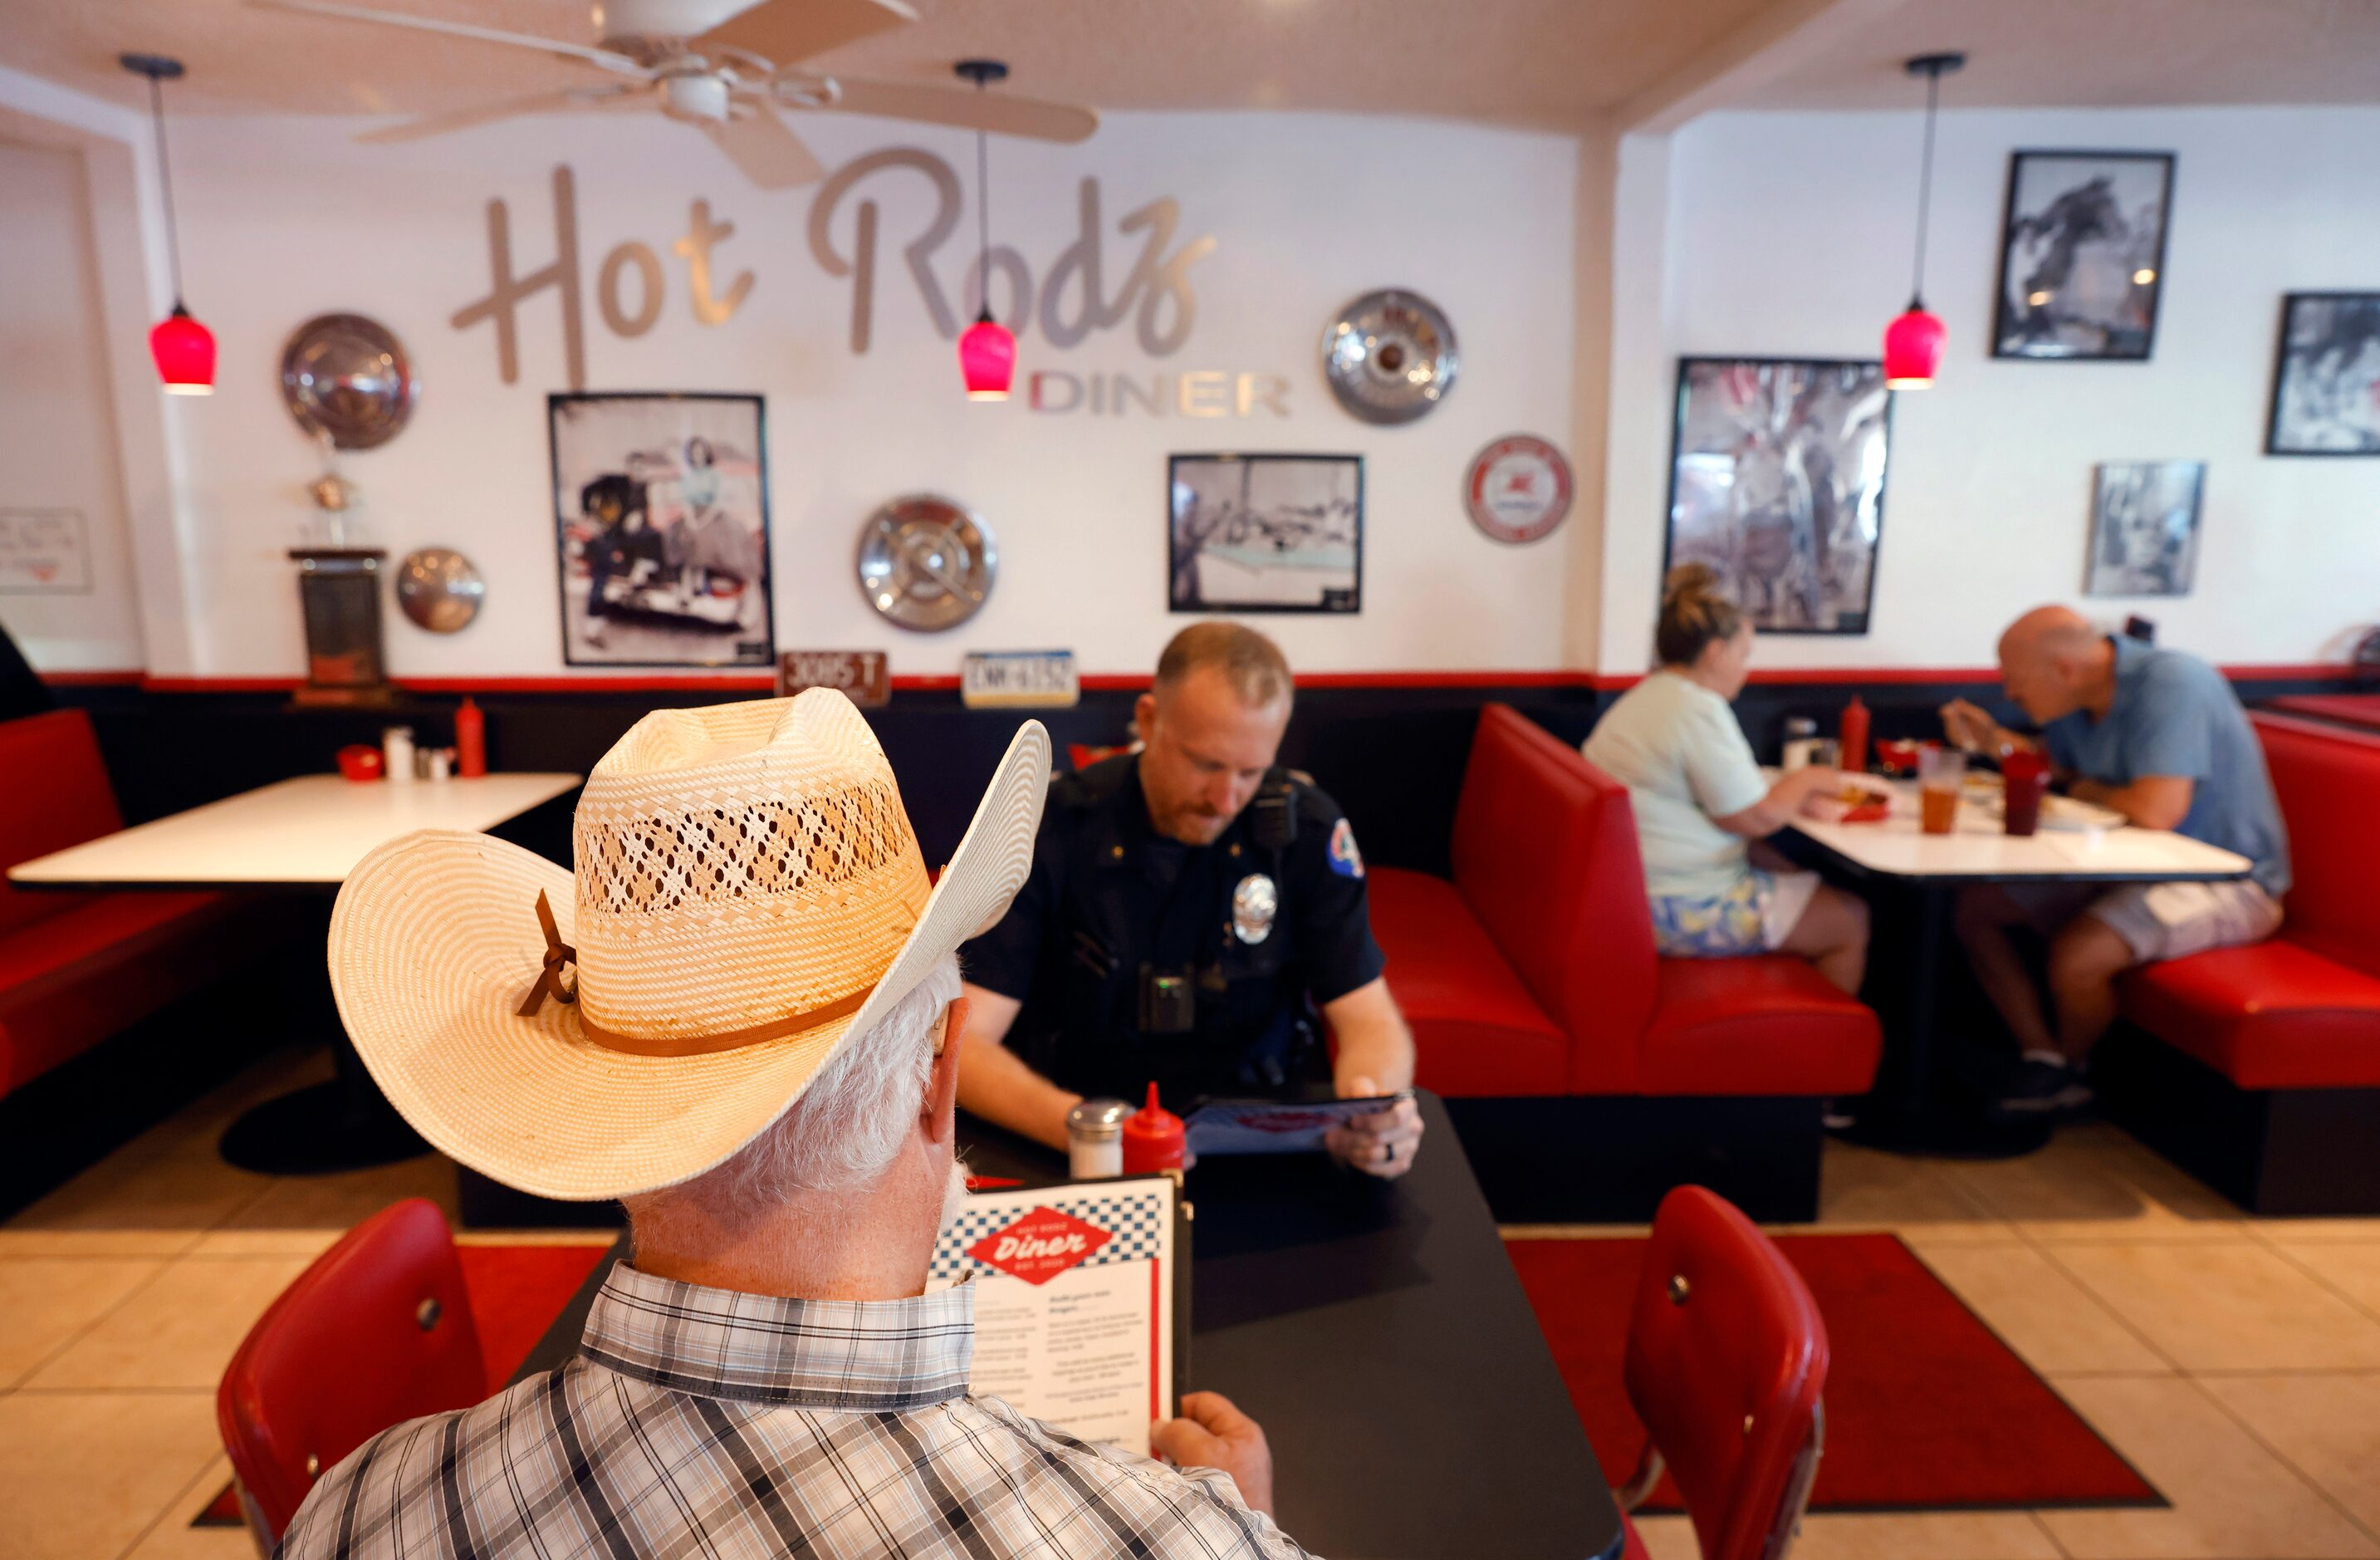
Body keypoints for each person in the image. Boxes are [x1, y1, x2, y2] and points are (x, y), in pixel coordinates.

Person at [282, 693, 1309, 1558]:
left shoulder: (358, 1514)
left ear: (601, 1102)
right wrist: (1240, 1518)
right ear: (936, 1077)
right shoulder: (1178, 1540)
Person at [955, 621, 1426, 1180]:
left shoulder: (1307, 830)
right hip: (1081, 1139)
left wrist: (1374, 1108)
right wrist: (1096, 1132)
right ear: (1149, 721)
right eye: (1206, 764)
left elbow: (1369, 1017)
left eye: (1251, 771)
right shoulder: (1054, 826)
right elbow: (962, 1045)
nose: (1227, 799)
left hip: (1265, 1139)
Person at [1942, 607, 2292, 1114]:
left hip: (2233, 881)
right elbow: (2059, 769)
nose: (2009, 694)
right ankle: (2042, 1057)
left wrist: (2080, 787)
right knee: (1977, 910)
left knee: (2078, 955)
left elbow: (2155, 810)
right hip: (2124, 867)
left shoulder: (2173, 683)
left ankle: (2070, 1076)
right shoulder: (2077, 701)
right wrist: (1995, 741)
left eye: (2014, 681)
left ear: (2064, 670)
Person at [1583, 564, 1871, 993]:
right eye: (1743, 654)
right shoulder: (1696, 709)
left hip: (1636, 890)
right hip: (1676, 906)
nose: (1745, 669)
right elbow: (1753, 818)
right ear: (1716, 653)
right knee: (1851, 919)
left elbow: (1733, 806)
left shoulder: (1650, 695)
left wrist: (1790, 799)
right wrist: (1812, 778)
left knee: (1787, 869)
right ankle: (1816, 1054)